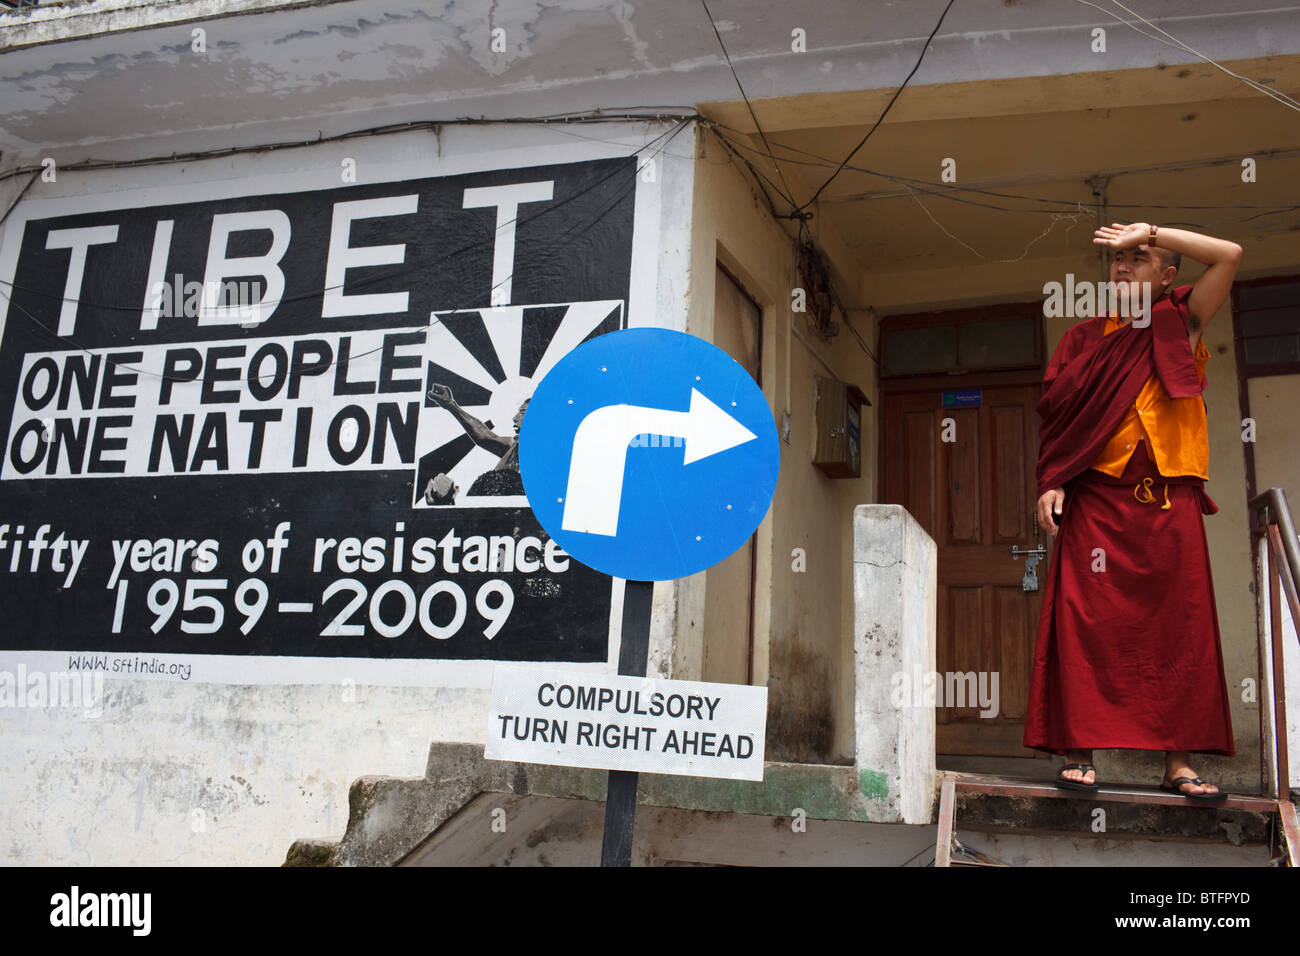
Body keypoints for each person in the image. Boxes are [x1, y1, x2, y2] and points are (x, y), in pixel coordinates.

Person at [1024, 221, 1243, 801]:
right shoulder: (1082, 338)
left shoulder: (1182, 320)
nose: (1123, 267)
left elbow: (1229, 254)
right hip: (1097, 500)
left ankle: (1178, 763)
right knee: (1085, 624)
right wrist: (1053, 480)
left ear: (1168, 275)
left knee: (1181, 628)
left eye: (1139, 258)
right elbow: (1061, 421)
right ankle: (1079, 751)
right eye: (1117, 259)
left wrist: (1155, 228)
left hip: (1170, 499)